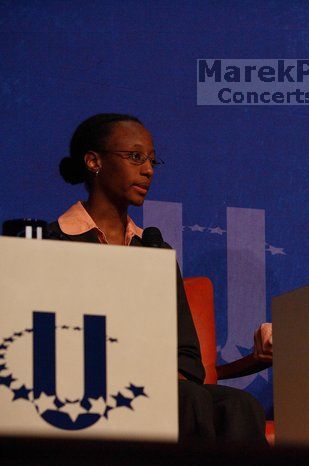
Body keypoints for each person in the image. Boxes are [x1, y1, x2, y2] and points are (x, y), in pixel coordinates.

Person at [46, 113, 270, 444]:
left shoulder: (154, 248)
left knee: (240, 405)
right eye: (135, 157)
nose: (148, 170)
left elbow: (187, 352)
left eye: (152, 160)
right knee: (189, 401)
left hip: (160, 390)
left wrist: (167, 381)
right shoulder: (51, 242)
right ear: (94, 161)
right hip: (83, 386)